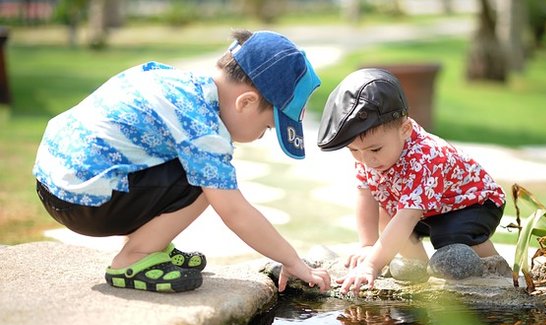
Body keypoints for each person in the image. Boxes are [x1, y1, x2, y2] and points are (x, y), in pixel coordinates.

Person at [33, 29, 331, 294]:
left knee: (198, 168)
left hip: (55, 183)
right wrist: (292, 260)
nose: (260, 136)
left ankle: (153, 245)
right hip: (83, 202)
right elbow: (235, 212)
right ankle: (134, 258)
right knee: (209, 182)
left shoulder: (179, 84)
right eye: (267, 128)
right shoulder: (202, 126)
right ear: (246, 102)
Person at [317, 68, 505, 294]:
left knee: (449, 237)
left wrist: (371, 265)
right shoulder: (369, 154)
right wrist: (368, 245)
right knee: (387, 214)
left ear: (404, 129)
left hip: (473, 204)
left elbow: (408, 216)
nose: (366, 159)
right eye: (354, 150)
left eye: (375, 149)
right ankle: (419, 272)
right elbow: (365, 194)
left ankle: (494, 268)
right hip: (429, 208)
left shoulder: (425, 157)